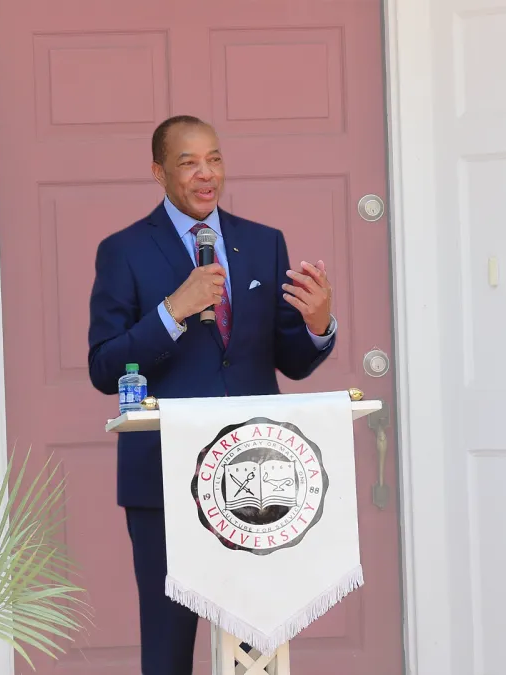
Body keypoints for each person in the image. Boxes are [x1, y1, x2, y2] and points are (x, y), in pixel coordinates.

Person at [87, 115, 338, 675]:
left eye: (216, 159)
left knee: (258, 644)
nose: (207, 175)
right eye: (189, 162)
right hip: (164, 479)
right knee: (170, 648)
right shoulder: (124, 251)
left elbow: (290, 361)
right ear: (158, 172)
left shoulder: (262, 243)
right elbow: (104, 368)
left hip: (256, 476)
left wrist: (318, 323)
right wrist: (171, 312)